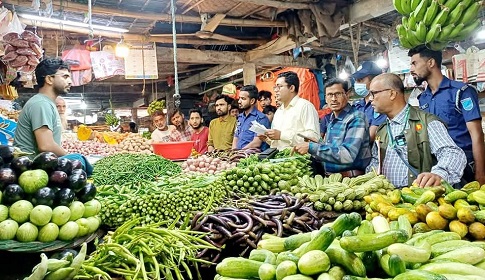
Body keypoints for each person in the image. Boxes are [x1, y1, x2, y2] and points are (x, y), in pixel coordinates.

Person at [368, 73, 466, 188]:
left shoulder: (426, 122)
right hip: (389, 201)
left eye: (374, 93)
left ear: (392, 94)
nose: (370, 99)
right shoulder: (382, 130)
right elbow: (375, 164)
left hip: (419, 200)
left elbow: (452, 152)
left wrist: (439, 174)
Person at [408, 45, 485, 185]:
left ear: (431, 63)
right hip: (438, 168)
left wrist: (480, 172)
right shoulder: (423, 98)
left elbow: (477, 134)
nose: (411, 69)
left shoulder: (461, 92)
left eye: (414, 63)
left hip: (465, 167)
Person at [13, 58, 93, 174]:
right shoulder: (41, 104)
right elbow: (46, 146)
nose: (70, 81)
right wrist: (71, 158)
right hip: (31, 170)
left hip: (38, 167)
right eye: (65, 77)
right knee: (78, 160)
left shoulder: (47, 103)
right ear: (49, 79)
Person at [294, 78, 371, 176]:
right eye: (330, 95)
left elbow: (347, 155)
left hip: (352, 179)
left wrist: (312, 147)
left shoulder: (356, 118)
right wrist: (317, 143)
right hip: (334, 179)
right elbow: (334, 149)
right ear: (326, 98)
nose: (334, 99)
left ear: (347, 95)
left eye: (338, 94)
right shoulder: (332, 118)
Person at [262, 71, 320, 149]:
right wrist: (267, 138)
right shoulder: (279, 111)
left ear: (291, 88)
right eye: (275, 87)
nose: (276, 90)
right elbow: (279, 142)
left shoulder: (305, 106)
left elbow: (313, 138)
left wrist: (282, 135)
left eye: (279, 86)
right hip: (280, 157)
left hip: (299, 159)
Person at [351, 61, 385, 142]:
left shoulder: (381, 105)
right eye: (356, 80)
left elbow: (371, 136)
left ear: (374, 81)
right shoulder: (356, 105)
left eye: (360, 80)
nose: (356, 84)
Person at [233, 85, 271, 150]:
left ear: (252, 101)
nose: (239, 101)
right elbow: (236, 137)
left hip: (252, 157)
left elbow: (256, 143)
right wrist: (233, 152)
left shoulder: (261, 118)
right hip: (237, 156)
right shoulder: (240, 117)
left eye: (243, 98)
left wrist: (239, 153)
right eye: (239, 98)